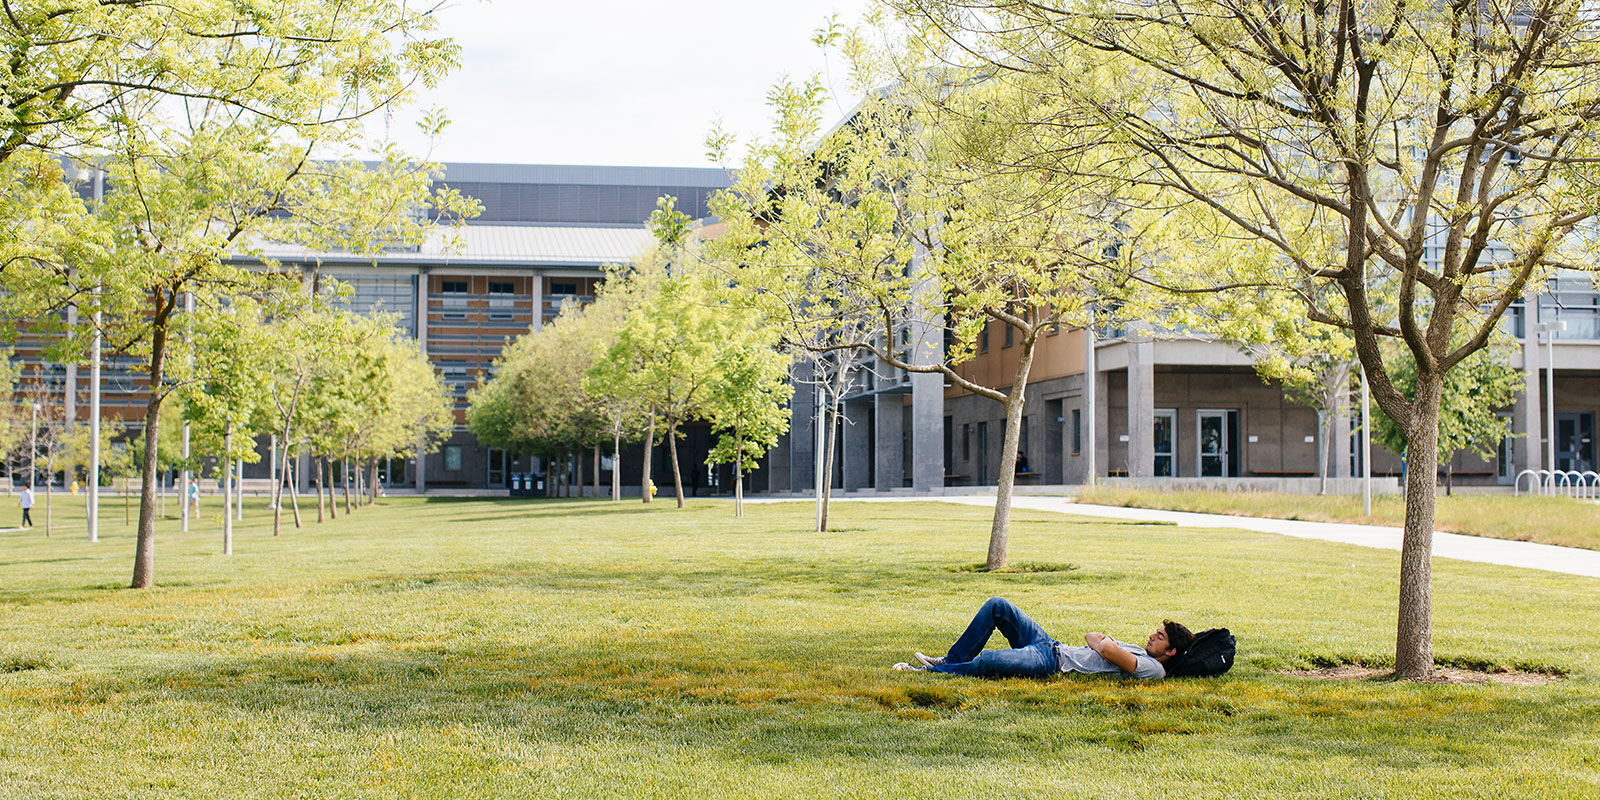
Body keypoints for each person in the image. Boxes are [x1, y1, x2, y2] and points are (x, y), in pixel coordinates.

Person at [893, 596, 1193, 680]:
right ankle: (953, 660)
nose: (1153, 635)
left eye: (1161, 637)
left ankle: (931, 674)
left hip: (1051, 663)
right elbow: (1091, 636)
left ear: (1171, 651)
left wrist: (1106, 644)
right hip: (1050, 645)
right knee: (997, 606)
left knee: (990, 661)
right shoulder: (1141, 653)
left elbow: (1102, 644)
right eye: (1157, 631)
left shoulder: (1153, 670)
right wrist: (1105, 645)